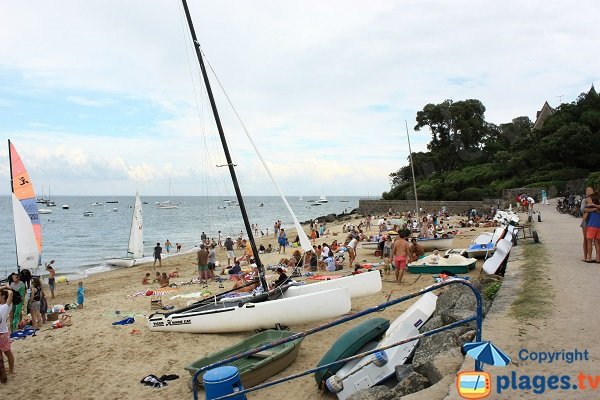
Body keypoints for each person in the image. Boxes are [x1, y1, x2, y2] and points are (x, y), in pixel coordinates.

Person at [0, 286, 15, 378]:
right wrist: (4, 286)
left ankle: (11, 370)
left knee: (7, 353)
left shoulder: (7, 306)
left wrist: (7, 289)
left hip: (3, 334)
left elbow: (11, 293)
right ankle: (2, 372)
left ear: (3, 296)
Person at [583, 190, 600, 263]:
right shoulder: (598, 209)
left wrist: (590, 205)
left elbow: (584, 217)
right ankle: (598, 259)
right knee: (597, 243)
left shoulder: (589, 209)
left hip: (591, 226)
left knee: (589, 242)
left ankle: (589, 258)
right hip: (599, 227)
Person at [581, 186, 595, 262]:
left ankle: (595, 257)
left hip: (594, 221)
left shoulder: (596, 199)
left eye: (590, 190)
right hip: (585, 221)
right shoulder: (584, 200)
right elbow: (582, 209)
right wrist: (593, 209)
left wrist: (590, 207)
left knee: (596, 240)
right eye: (587, 190)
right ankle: (585, 256)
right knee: (586, 239)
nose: (589, 191)